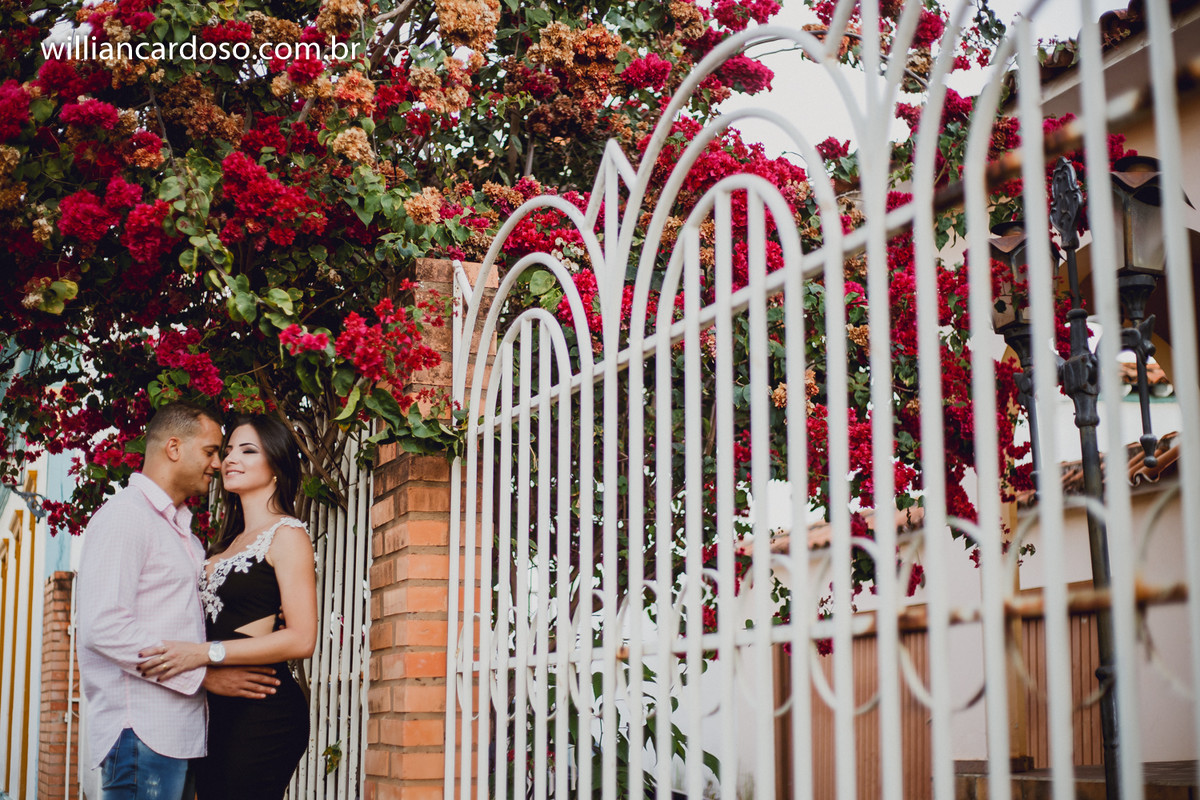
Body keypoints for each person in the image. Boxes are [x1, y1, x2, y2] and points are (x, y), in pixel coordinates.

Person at [77, 401, 283, 800]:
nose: (218, 464)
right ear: (174, 448)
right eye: (210, 451)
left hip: (180, 736)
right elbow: (103, 624)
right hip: (142, 732)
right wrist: (203, 675)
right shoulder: (126, 517)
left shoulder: (185, 538)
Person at [138, 413, 318, 799]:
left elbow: (302, 639)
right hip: (215, 709)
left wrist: (203, 654)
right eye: (228, 449)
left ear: (276, 466)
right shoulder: (219, 546)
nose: (229, 459)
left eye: (248, 450)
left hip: (264, 709)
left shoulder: (287, 535)